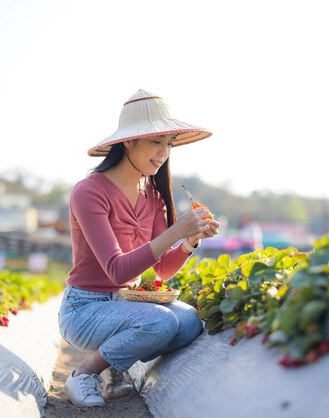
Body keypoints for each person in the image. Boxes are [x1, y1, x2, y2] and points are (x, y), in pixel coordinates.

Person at [58, 89, 220, 407]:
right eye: (156, 142)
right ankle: (84, 375)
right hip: (85, 309)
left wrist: (190, 240)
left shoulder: (154, 197)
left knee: (190, 322)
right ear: (129, 141)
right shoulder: (89, 191)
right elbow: (117, 269)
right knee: (159, 321)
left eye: (169, 144)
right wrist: (176, 229)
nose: (163, 152)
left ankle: (119, 367)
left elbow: (162, 269)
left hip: (128, 304)